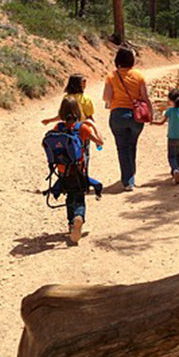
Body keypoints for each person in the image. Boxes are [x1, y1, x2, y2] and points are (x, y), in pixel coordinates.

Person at [49, 96, 103, 245]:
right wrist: (94, 126)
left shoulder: (58, 128)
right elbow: (100, 142)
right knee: (79, 197)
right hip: (79, 170)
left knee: (69, 196)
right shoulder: (83, 128)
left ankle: (71, 224)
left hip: (62, 170)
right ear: (78, 111)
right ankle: (78, 217)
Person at [103, 47, 153, 191]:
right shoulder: (139, 76)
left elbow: (107, 97)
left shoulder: (111, 77)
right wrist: (151, 113)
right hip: (136, 116)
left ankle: (127, 180)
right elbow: (145, 97)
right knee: (132, 145)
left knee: (122, 147)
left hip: (118, 115)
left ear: (118, 60)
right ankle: (130, 177)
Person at [153, 88, 179, 184]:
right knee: (178, 154)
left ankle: (175, 170)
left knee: (171, 156)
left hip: (171, 138)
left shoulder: (169, 111)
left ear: (171, 100)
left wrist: (152, 122)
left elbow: (161, 122)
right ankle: (178, 171)